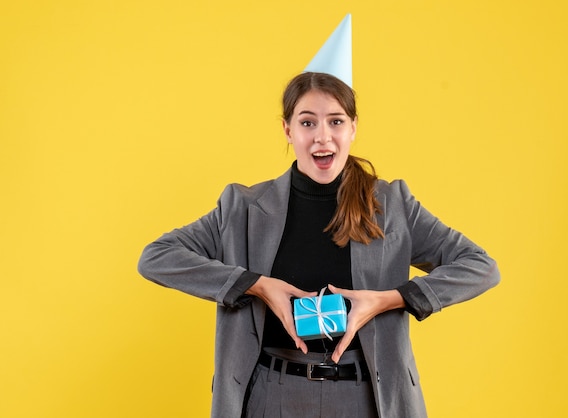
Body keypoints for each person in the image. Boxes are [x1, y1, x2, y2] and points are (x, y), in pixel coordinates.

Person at [138, 70, 500, 417]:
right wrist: (258, 285)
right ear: (287, 130)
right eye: (307, 122)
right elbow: (157, 257)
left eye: (336, 121)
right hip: (272, 394)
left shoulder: (392, 205)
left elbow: (480, 266)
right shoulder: (242, 208)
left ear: (354, 127)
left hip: (367, 396)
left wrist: (390, 299)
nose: (322, 137)